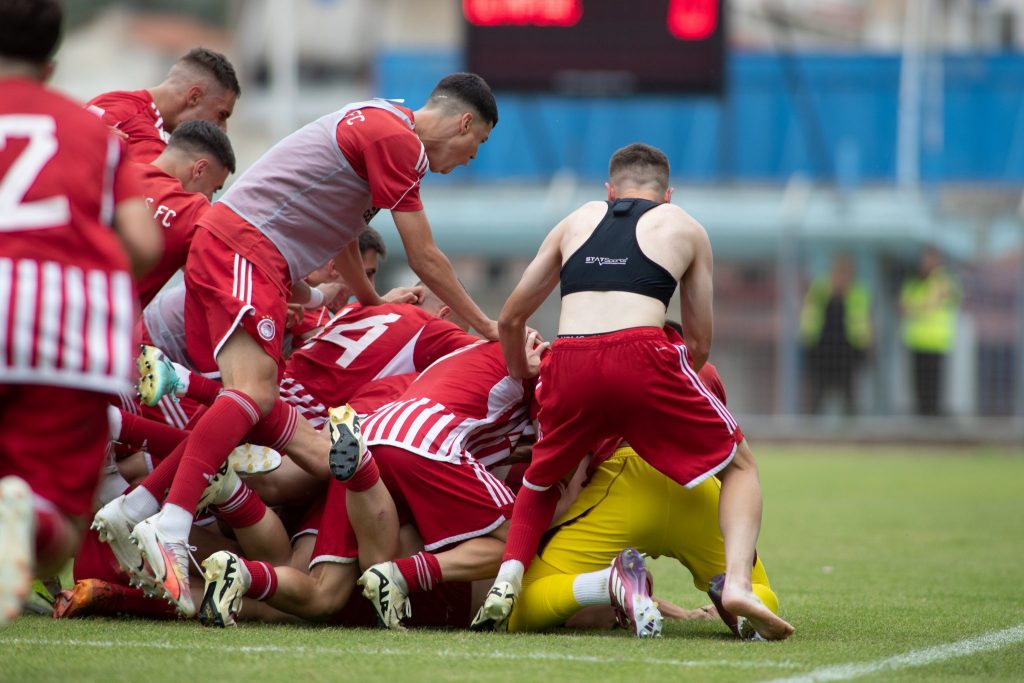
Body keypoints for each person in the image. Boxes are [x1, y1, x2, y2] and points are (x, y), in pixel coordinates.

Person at [95, 72, 502, 618]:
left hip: (253, 258)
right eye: (478, 143)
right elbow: (426, 255)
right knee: (256, 400)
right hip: (247, 250)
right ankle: (165, 518)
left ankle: (138, 507)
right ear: (464, 122)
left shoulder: (383, 124)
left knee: (254, 404)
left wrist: (371, 299)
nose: (474, 156)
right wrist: (488, 325)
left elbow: (342, 231)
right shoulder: (396, 139)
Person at [473, 142, 794, 640]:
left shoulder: (575, 220)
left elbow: (512, 317)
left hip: (569, 355)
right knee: (741, 465)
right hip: (644, 354)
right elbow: (699, 343)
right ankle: (735, 584)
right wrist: (653, 399)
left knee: (541, 479)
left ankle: (506, 581)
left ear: (609, 190)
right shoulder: (685, 226)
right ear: (667, 195)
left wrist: (522, 371)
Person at [0, 0, 161, 625]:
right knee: (61, 530)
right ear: (51, 64)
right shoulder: (94, 133)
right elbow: (144, 244)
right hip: (63, 326)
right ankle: (25, 514)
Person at [136, 119, 236, 308]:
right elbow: (241, 266)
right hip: (108, 327)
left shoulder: (114, 171)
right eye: (214, 189)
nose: (210, 199)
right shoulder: (195, 211)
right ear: (200, 169)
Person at [86, 47, 240, 163]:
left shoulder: (111, 99)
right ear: (194, 97)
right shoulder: (148, 140)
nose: (223, 129)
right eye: (221, 115)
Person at [799, 254, 871, 415]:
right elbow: (808, 319)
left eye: (845, 273)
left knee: (849, 397)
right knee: (817, 396)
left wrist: (864, 350)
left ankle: (853, 432)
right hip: (822, 353)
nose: (841, 277)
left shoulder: (857, 294)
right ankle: (812, 431)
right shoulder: (819, 291)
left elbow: (864, 326)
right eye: (838, 272)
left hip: (847, 355)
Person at [900, 246, 961, 416]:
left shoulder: (944, 281)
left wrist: (916, 309)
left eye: (931, 259)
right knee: (918, 386)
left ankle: (933, 421)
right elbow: (903, 306)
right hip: (916, 341)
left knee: (934, 386)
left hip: (936, 341)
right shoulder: (914, 282)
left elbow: (933, 304)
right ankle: (922, 419)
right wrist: (920, 308)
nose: (927, 263)